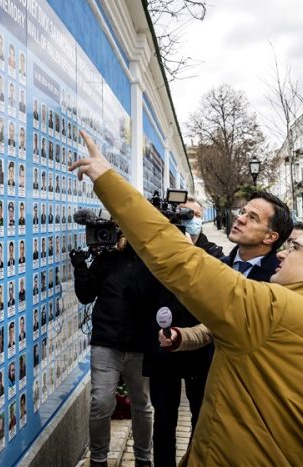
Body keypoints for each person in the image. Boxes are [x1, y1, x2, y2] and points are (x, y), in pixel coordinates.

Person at [70, 131, 303, 465]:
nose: (285, 254)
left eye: (296, 248)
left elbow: (177, 260)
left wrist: (106, 178)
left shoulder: (275, 310)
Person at [130, 196, 230, 467]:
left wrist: (191, 255)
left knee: (201, 419)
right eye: (184, 215)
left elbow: (220, 290)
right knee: (164, 422)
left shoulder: (213, 253)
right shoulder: (158, 253)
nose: (191, 220)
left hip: (200, 351)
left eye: (195, 215)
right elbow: (138, 293)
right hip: (163, 351)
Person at [71, 220, 153, 466]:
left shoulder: (151, 259)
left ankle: (143, 458)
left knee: (142, 405)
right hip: (106, 342)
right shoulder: (106, 260)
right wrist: (80, 267)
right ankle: (98, 460)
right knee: (101, 402)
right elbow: (86, 295)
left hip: (139, 345)